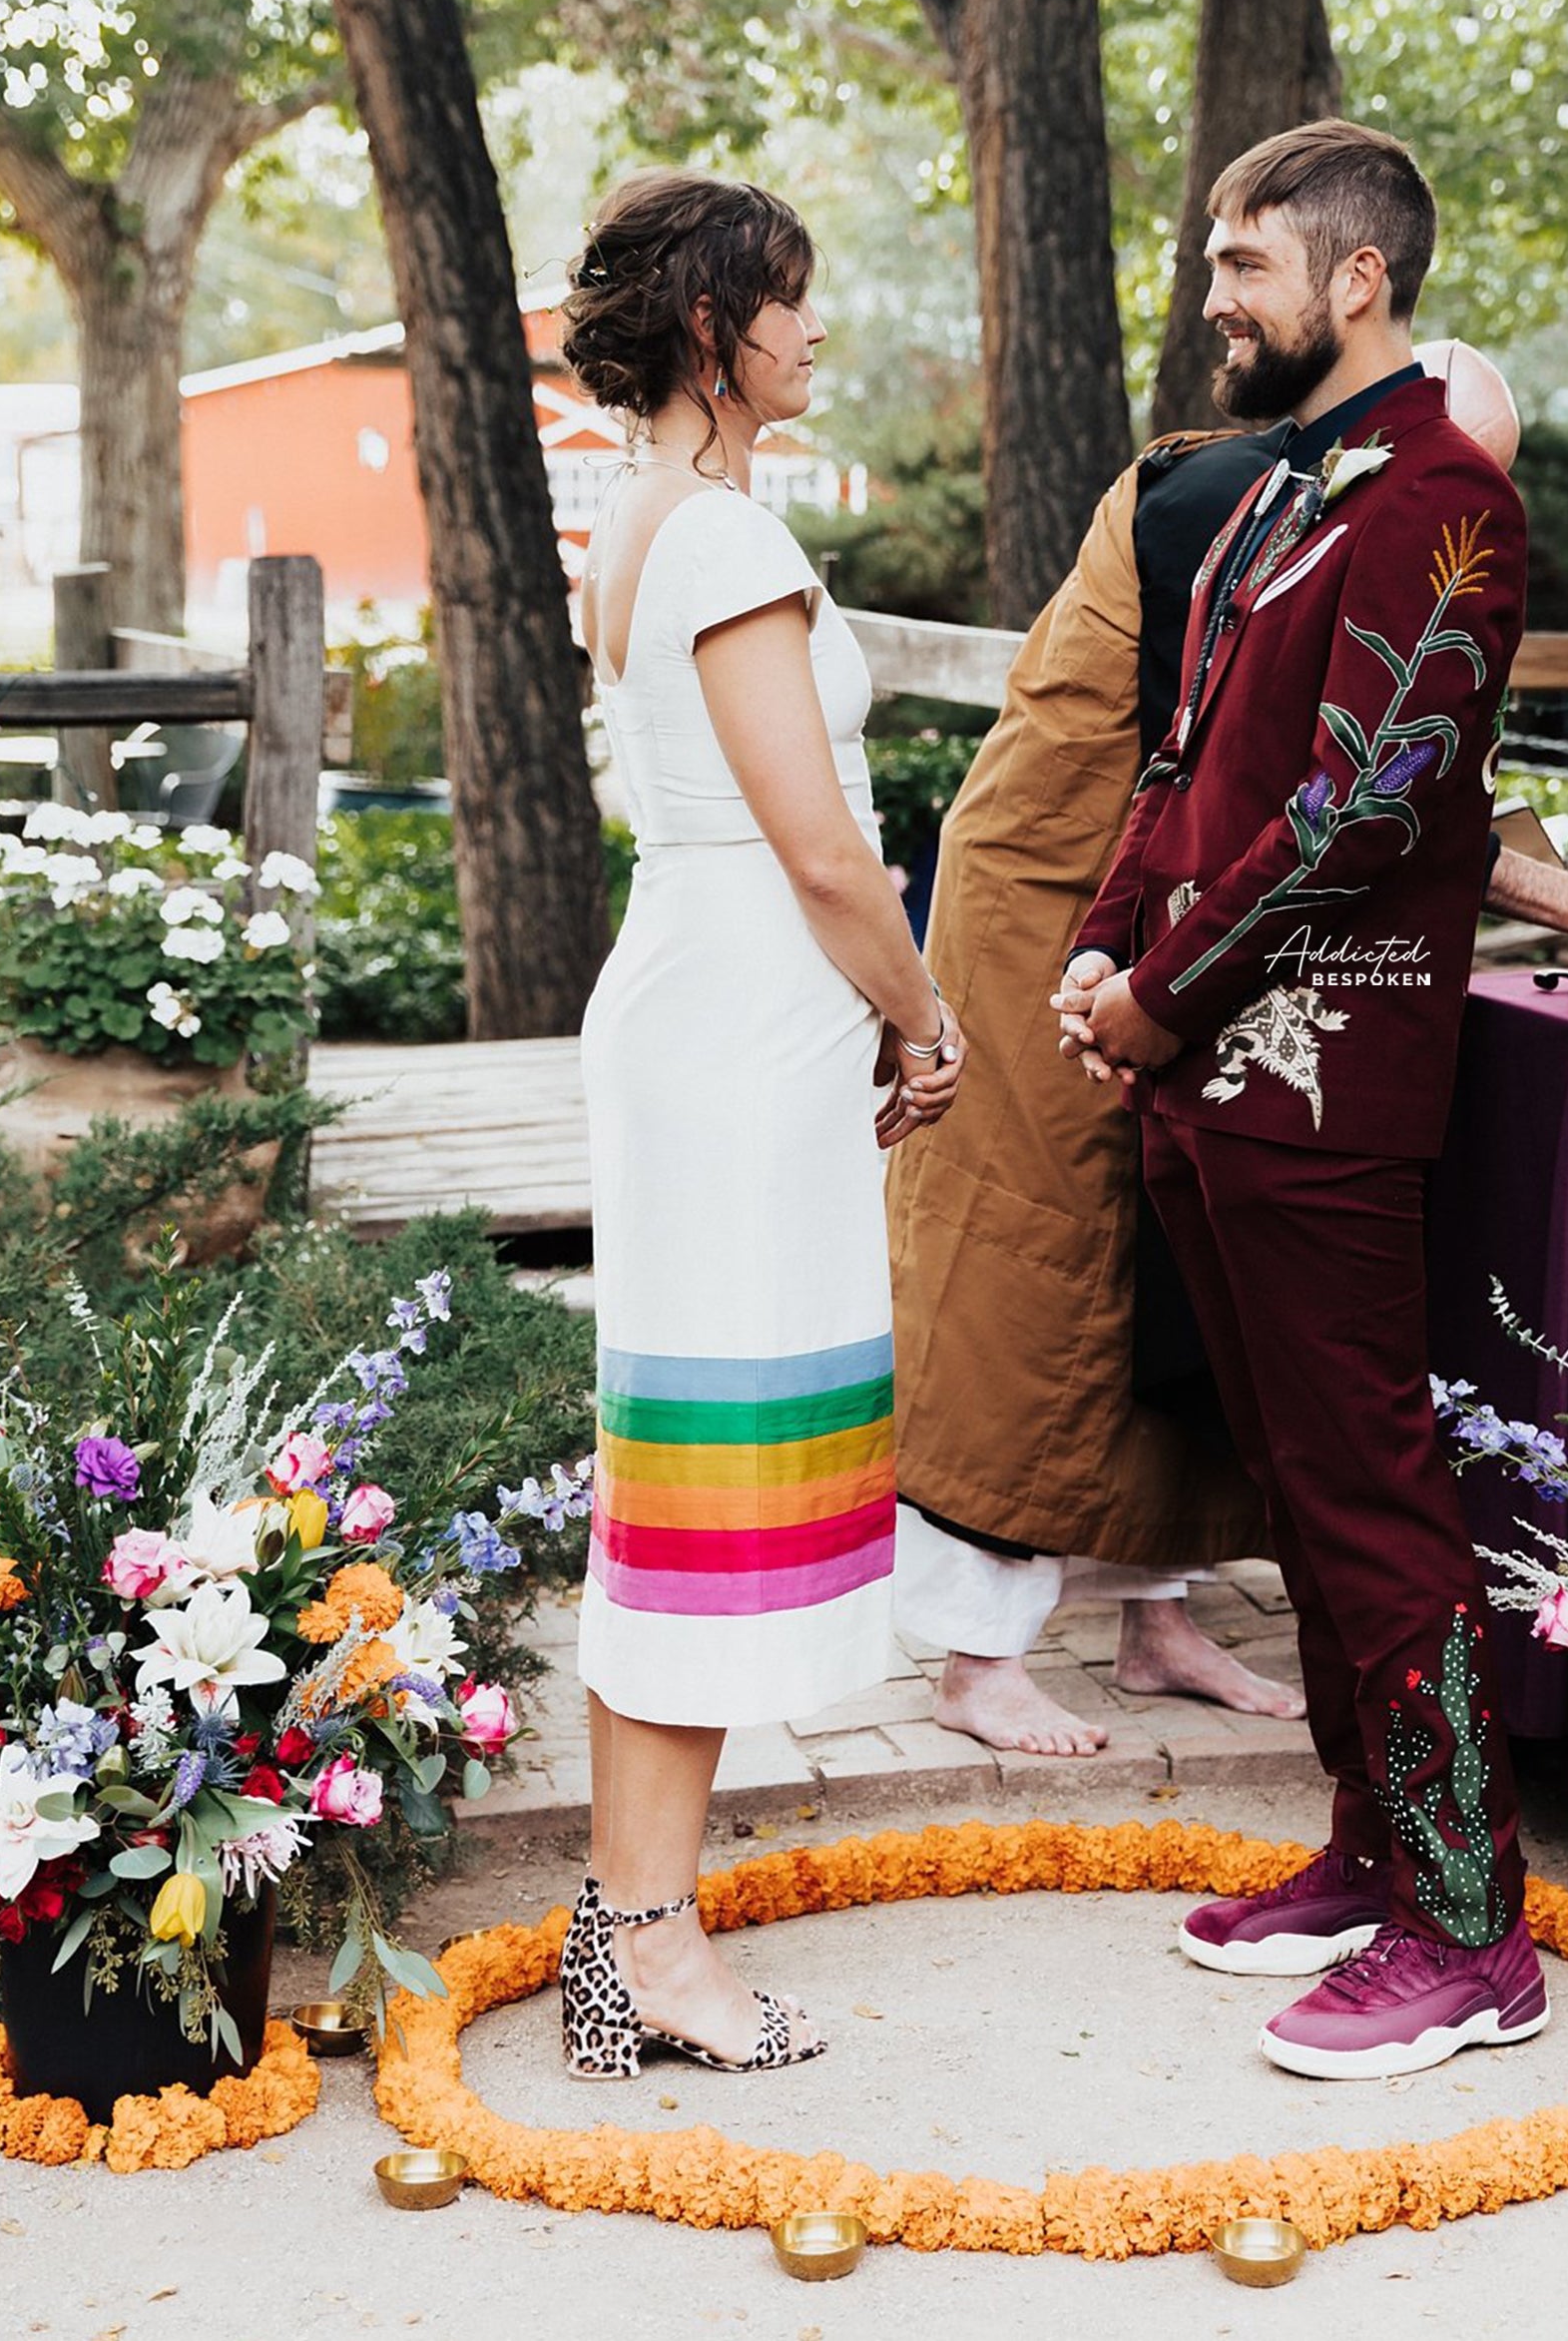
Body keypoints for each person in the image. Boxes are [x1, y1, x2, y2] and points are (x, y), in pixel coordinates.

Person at [889, 347, 1568, 1759]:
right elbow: (1364, 787)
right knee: (1042, 1274)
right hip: (1053, 897)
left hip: (1182, 914)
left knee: (1184, 1265)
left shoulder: (1363, 503)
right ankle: (974, 1654)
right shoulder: (1235, 507)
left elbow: (1395, 754)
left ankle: (1155, 1618)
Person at [1058, 119, 1547, 2081]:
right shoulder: (1282, 496)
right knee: (1293, 1482)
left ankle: (1463, 1927)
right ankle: (1365, 1849)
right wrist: (1106, 953)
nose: (1212, 300)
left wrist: (1163, 998)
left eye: (1240, 265)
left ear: (1352, 279)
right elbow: (1185, 761)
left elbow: (1364, 808)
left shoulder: (1441, 497)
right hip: (1198, 1069)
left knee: (1363, 1482)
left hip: (1325, 1070)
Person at [558, 169, 965, 2078]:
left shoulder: (649, 518)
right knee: (702, 1502)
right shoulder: (718, 541)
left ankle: (625, 1928)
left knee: (694, 1490)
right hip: (742, 1019)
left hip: (715, 1010)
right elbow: (822, 847)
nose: (817, 333)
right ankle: (646, 1945)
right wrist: (923, 1015)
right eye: (790, 302)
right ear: (716, 326)